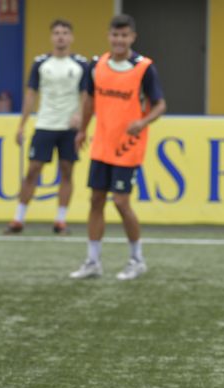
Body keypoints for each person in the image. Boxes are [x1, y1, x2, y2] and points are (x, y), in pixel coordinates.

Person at [71, 14, 166, 280]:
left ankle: (137, 260)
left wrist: (143, 121)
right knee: (96, 200)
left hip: (128, 146)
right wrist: (81, 130)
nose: (119, 40)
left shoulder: (144, 67)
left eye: (124, 35)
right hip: (102, 144)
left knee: (122, 202)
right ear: (109, 36)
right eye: (115, 35)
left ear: (132, 38)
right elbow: (89, 101)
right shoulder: (97, 65)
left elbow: (160, 105)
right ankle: (93, 261)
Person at [4, 19, 88, 235]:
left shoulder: (80, 64)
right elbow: (31, 94)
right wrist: (22, 124)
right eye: (57, 32)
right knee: (32, 170)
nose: (61, 36)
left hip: (69, 127)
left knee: (67, 171)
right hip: (45, 124)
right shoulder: (41, 63)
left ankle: (60, 221)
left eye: (65, 32)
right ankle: (18, 219)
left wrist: (80, 117)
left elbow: (86, 95)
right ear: (52, 37)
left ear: (71, 37)